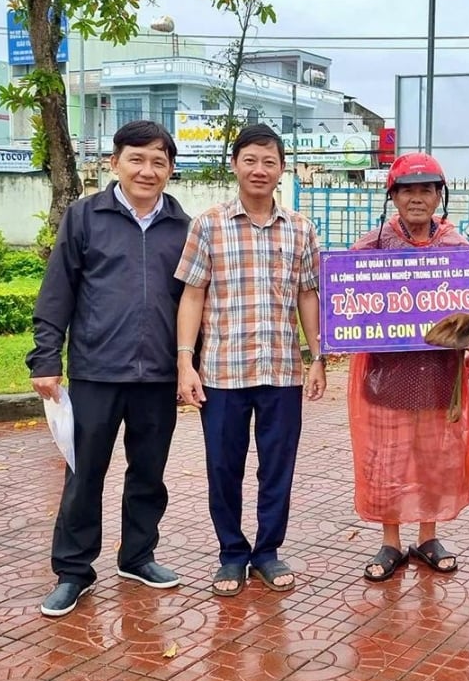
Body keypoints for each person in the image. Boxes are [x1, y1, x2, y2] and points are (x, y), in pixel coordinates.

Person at [28, 120, 191, 617]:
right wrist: (45, 357)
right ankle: (73, 571)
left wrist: (192, 366)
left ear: (170, 169)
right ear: (115, 162)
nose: (147, 170)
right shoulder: (85, 218)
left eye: (158, 161)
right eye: (137, 159)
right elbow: (58, 289)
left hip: (158, 377)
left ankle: (138, 556)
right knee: (85, 474)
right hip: (97, 371)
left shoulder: (183, 228)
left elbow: (194, 304)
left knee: (149, 474)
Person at [175, 124, 326, 597]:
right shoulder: (209, 224)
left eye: (270, 161)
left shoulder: (300, 228)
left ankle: (266, 552)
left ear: (282, 169)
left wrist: (318, 356)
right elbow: (192, 294)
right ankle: (231, 554)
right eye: (251, 160)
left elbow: (308, 294)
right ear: (235, 164)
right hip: (222, 370)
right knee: (223, 465)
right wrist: (186, 361)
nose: (260, 170)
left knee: (278, 465)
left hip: (282, 370)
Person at [347, 153, 469, 582]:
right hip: (388, 378)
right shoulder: (369, 249)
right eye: (407, 190)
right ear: (393, 197)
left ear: (440, 196)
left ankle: (428, 536)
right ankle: (391, 542)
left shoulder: (459, 251)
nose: (417, 198)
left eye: (426, 190)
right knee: (387, 460)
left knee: (435, 457)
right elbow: (344, 303)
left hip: (440, 377)